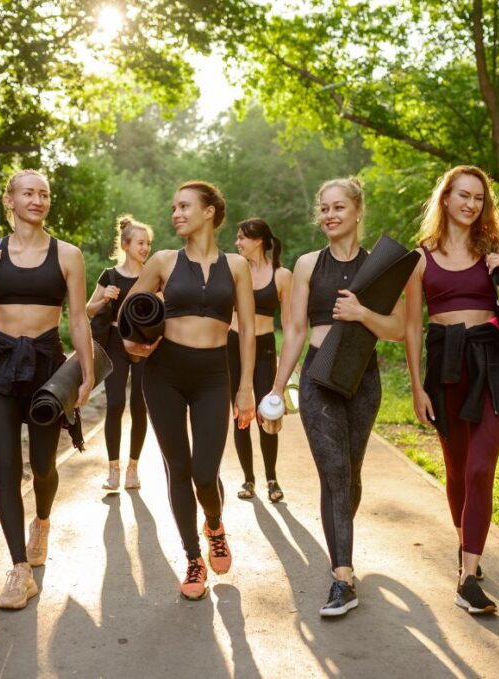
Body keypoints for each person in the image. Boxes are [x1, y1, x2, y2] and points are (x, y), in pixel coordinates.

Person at [265, 178, 405, 617]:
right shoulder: (308, 264)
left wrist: (362, 313)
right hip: (317, 378)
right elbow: (295, 331)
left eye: (338, 207)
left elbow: (398, 330)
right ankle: (342, 578)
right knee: (335, 474)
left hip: (363, 378)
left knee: (351, 473)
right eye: (323, 208)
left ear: (358, 211)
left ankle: (340, 541)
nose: (329, 215)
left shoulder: (380, 266)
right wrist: (275, 387)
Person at [0, 169, 94, 610]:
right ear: (10, 201)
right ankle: (18, 570)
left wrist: (86, 373)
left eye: (44, 193)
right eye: (28, 193)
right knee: (7, 468)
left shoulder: (68, 255)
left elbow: (77, 318)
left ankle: (42, 521)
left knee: (43, 466)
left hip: (46, 371)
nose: (37, 199)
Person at [122, 180, 256, 601]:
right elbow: (129, 309)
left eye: (184, 206)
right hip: (163, 373)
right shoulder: (163, 260)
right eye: (174, 207)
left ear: (209, 212)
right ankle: (193, 557)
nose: (176, 213)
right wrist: (131, 342)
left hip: (214, 376)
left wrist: (247, 386)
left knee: (204, 471)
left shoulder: (236, 266)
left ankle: (214, 524)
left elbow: (248, 331)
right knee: (177, 467)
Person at [403, 165, 499, 616]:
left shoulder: (495, 248)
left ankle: (467, 578)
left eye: (479, 198)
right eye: (463, 196)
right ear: (446, 199)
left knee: (479, 470)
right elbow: (413, 327)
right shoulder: (420, 258)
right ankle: (466, 547)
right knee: (455, 471)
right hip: (446, 367)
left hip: (493, 362)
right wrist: (417, 387)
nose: (471, 205)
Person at [86, 215, 153, 492]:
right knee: (115, 404)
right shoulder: (109, 275)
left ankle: (132, 470)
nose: (145, 248)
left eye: (148, 243)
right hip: (114, 341)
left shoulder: (153, 274)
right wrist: (105, 298)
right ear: (126, 245)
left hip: (143, 343)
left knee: (139, 406)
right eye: (140, 242)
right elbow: (89, 309)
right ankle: (113, 471)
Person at [229, 218, 292, 503]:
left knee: (268, 413)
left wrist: (289, 375)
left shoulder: (281, 276)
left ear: (258, 240)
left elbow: (291, 327)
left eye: (242, 237)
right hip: (233, 346)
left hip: (265, 347)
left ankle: (271, 478)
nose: (237, 242)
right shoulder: (233, 270)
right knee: (239, 414)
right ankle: (248, 479)